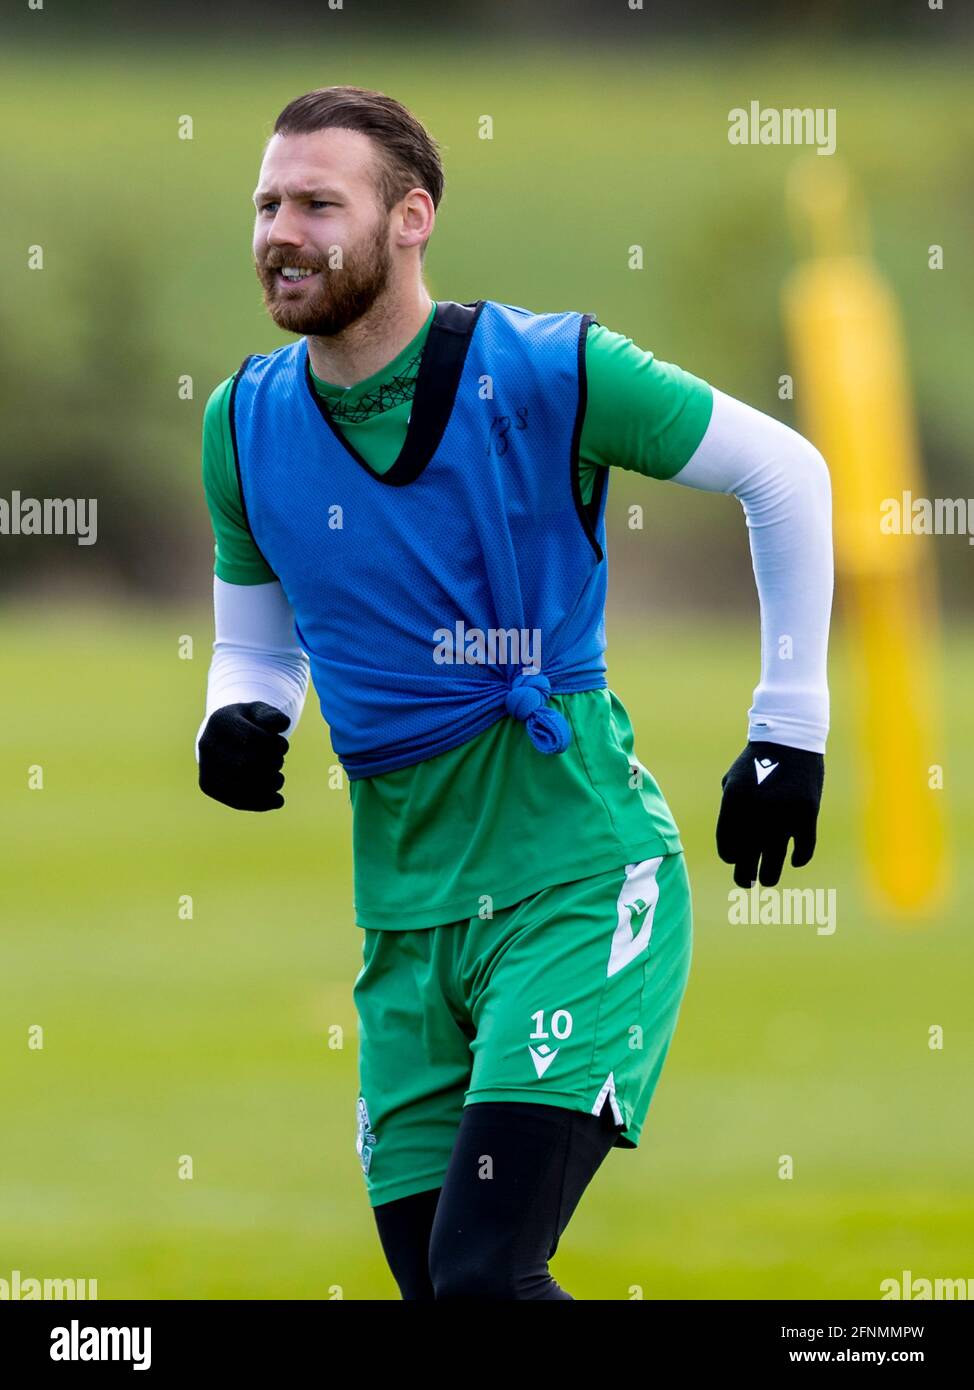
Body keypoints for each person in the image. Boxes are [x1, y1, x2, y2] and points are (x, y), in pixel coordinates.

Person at [195, 85, 832, 1300]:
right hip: (401, 911)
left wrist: (786, 730)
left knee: (485, 1274)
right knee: (440, 1288)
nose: (282, 229)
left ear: (411, 218)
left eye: (319, 203)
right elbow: (256, 646)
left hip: (572, 879)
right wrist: (242, 714)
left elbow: (785, 472)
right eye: (268, 203)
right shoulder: (242, 422)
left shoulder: (551, 369)